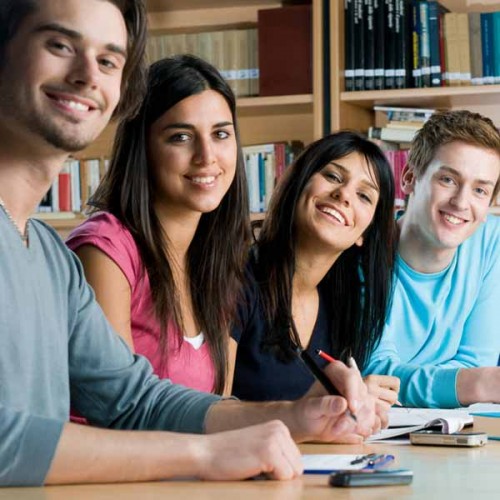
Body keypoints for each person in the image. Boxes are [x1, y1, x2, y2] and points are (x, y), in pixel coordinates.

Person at [0, 0, 378, 487]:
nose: (87, 75)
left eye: (109, 61)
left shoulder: (51, 260)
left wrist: (300, 415)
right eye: (59, 45)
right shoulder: (96, 250)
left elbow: (136, 401)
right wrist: (203, 454)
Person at [66, 55, 249, 396]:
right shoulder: (106, 249)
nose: (206, 156)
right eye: (181, 137)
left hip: (193, 449)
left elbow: (217, 409)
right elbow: (121, 408)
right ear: (144, 148)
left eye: (221, 134)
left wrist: (305, 408)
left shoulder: (215, 259)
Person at [232, 131, 400, 410]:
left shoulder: (342, 308)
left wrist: (351, 403)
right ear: (298, 184)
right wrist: (321, 403)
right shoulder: (237, 280)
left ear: (364, 234)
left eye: (363, 196)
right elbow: (208, 409)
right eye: (333, 177)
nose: (344, 195)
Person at [364, 110, 500, 408]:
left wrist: (474, 382)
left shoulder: (492, 241)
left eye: (480, 190)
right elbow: (375, 374)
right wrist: (474, 384)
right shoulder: (362, 247)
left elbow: (477, 361)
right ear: (410, 177)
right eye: (448, 179)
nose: (461, 203)